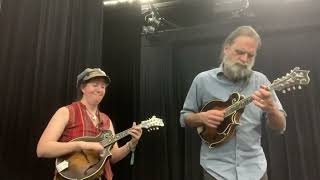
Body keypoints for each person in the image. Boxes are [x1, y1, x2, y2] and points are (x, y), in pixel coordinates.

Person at [179, 26, 286, 180]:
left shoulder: (261, 81)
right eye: (240, 52)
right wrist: (201, 118)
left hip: (255, 170)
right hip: (215, 170)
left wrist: (272, 110)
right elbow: (184, 118)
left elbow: (280, 127)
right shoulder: (202, 80)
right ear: (226, 49)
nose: (244, 59)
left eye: (250, 55)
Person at [37, 68, 142, 180]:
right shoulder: (66, 112)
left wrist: (131, 143)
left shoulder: (107, 120)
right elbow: (42, 149)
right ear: (83, 87)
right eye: (95, 85)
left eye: (103, 87)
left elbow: (113, 157)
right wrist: (81, 145)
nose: (99, 89)